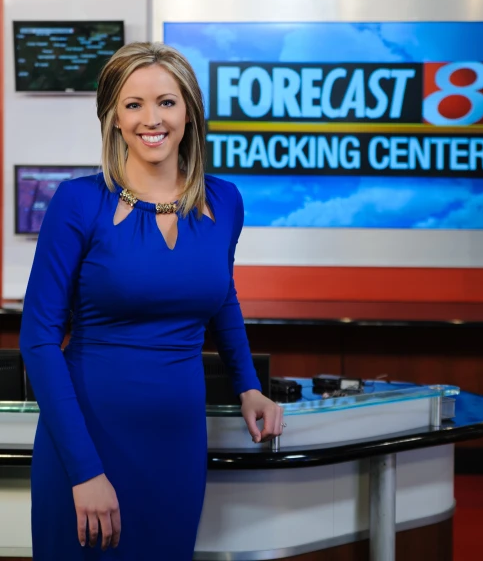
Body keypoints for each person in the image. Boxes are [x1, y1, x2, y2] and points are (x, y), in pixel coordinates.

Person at [19, 42, 284, 560]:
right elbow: (39, 338)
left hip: (176, 441)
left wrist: (249, 386)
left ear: (188, 111)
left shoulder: (224, 199)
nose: (151, 119)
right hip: (86, 437)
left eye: (166, 102)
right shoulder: (77, 202)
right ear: (114, 119)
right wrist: (85, 470)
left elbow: (222, 297)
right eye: (133, 104)